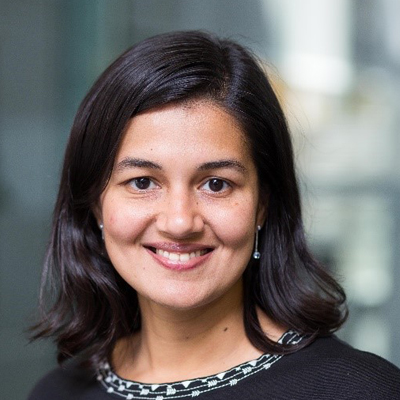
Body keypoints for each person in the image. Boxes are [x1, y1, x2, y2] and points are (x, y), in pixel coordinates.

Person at [28, 31, 400, 400]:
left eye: (216, 184)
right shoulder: (55, 394)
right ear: (96, 202)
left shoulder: (360, 391)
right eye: (142, 182)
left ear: (263, 204)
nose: (179, 222)